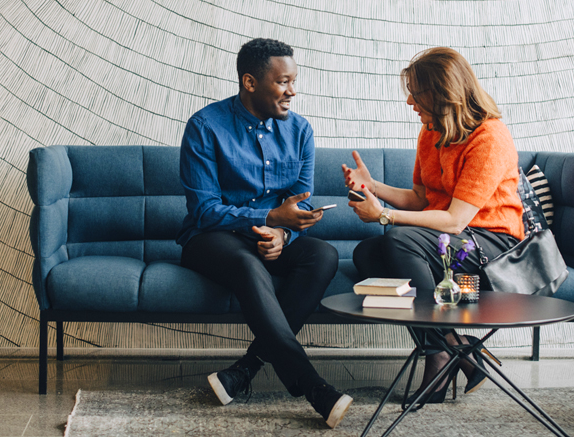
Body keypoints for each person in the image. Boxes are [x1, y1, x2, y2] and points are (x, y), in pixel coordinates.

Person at [177, 38, 352, 428]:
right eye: (283, 82)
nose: (292, 91)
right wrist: (271, 217)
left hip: (271, 234)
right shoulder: (205, 127)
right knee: (245, 263)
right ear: (250, 82)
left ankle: (245, 369)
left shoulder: (301, 130)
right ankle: (312, 387)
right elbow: (204, 211)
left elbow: (302, 202)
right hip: (211, 239)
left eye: (294, 81)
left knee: (322, 255)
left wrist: (284, 235)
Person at [342, 47, 524, 407]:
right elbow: (422, 199)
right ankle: (453, 346)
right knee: (368, 254)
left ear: (444, 93)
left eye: (417, 92)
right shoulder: (431, 131)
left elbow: (456, 220)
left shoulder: (489, 137)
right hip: (447, 239)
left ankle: (438, 355)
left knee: (398, 240)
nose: (410, 100)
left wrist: (383, 215)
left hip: (491, 243)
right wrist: (373, 186)